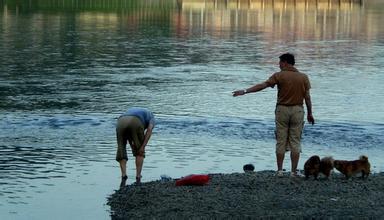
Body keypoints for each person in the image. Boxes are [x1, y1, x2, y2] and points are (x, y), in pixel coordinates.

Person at [232, 53, 315, 177]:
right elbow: (307, 98)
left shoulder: (279, 76)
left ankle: (280, 171)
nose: (279, 65)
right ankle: (293, 172)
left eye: (280, 62)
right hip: (298, 110)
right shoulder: (303, 77)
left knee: (281, 141)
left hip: (282, 110)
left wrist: (245, 91)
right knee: (295, 142)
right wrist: (310, 113)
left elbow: (263, 86)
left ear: (286, 62)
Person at [116, 107, 155, 186]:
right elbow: (149, 130)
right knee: (139, 151)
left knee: (121, 148)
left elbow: (129, 133)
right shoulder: (152, 117)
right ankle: (138, 176)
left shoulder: (131, 110)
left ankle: (123, 175)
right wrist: (142, 146)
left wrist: (132, 144)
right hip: (136, 121)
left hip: (121, 121)